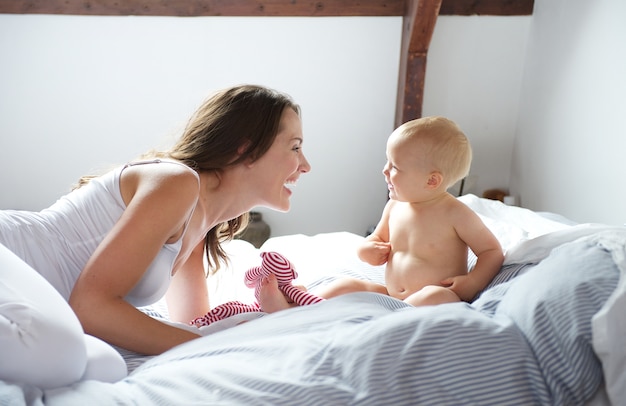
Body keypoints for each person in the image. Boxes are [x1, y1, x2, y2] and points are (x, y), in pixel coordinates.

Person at [0, 84, 311, 389]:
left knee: (107, 366)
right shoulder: (176, 182)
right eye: (295, 147)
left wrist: (273, 314)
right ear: (247, 149)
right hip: (10, 253)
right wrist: (225, 345)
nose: (306, 165)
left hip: (38, 299)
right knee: (61, 355)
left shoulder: (199, 223)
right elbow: (92, 308)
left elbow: (191, 326)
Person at [316, 116, 504, 307]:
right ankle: (304, 303)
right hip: (390, 294)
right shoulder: (394, 206)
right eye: (387, 161)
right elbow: (377, 238)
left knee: (436, 296)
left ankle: (398, 320)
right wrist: (366, 250)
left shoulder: (455, 214)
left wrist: (472, 282)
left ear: (431, 181)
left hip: (434, 296)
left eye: (394, 166)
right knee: (344, 286)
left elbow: (491, 251)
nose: (384, 170)